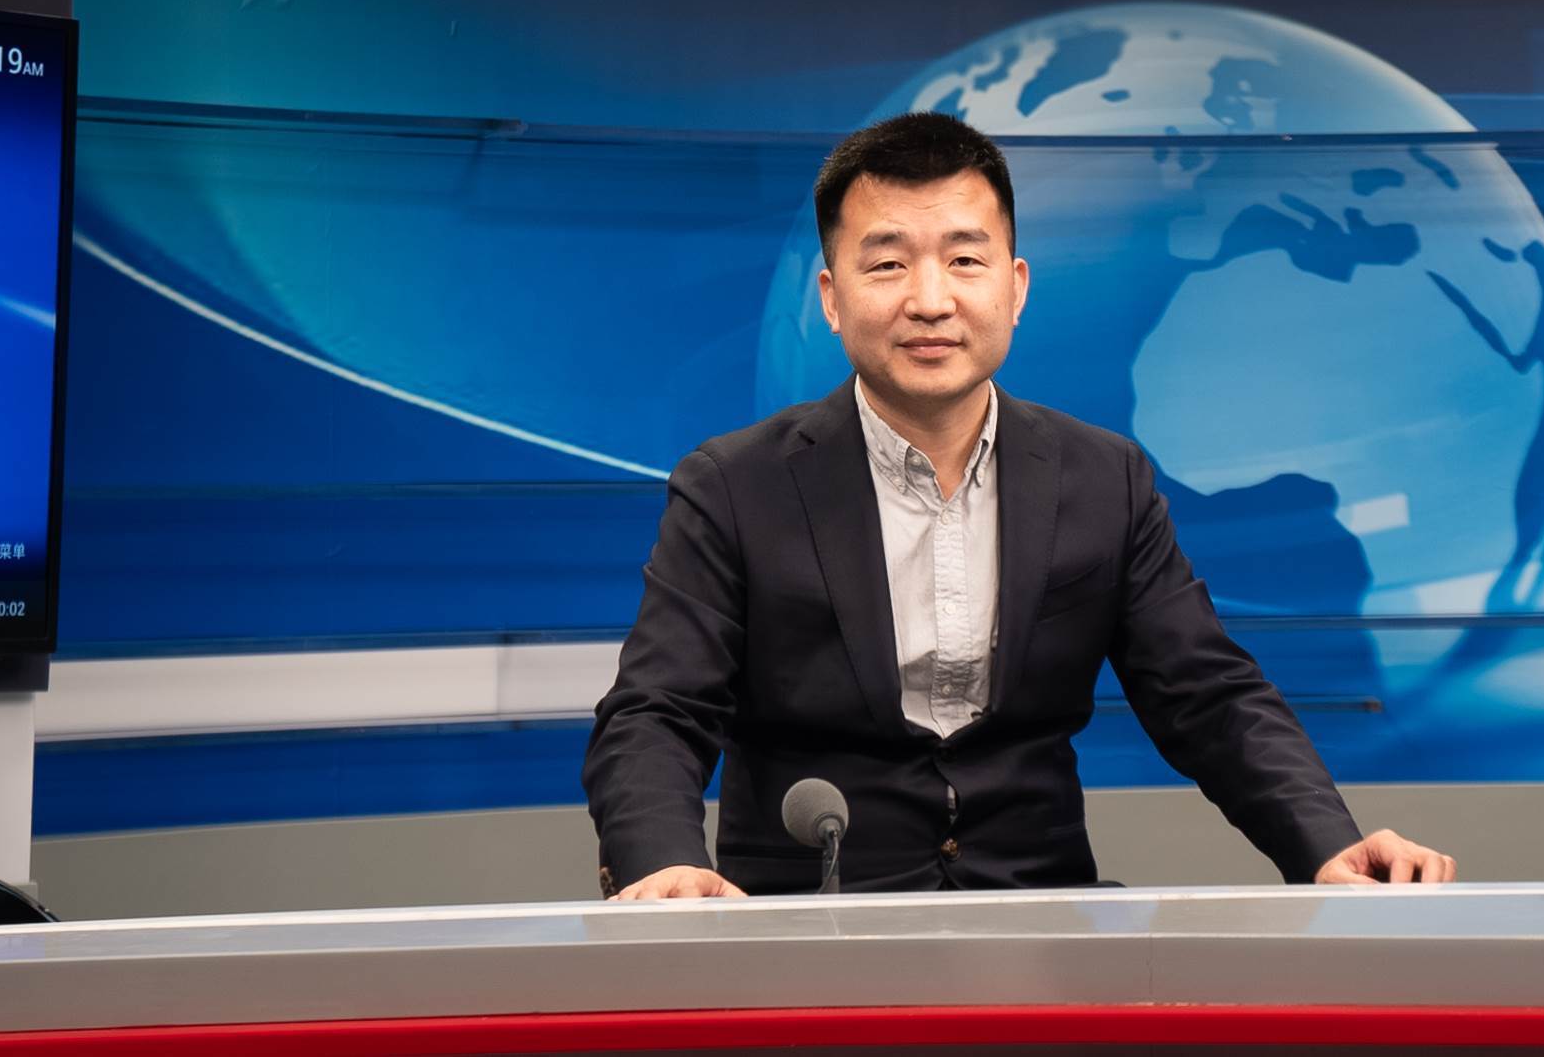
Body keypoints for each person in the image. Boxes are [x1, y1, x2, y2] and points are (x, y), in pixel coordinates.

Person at [582, 112, 1454, 898]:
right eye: (887, 264)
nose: (931, 300)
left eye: (965, 260)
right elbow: (658, 710)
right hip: (808, 928)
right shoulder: (734, 486)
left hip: (1039, 924)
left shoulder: (1104, 478)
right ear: (833, 300)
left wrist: (1326, 844)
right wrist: (662, 865)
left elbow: (1208, 694)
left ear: (1016, 286)